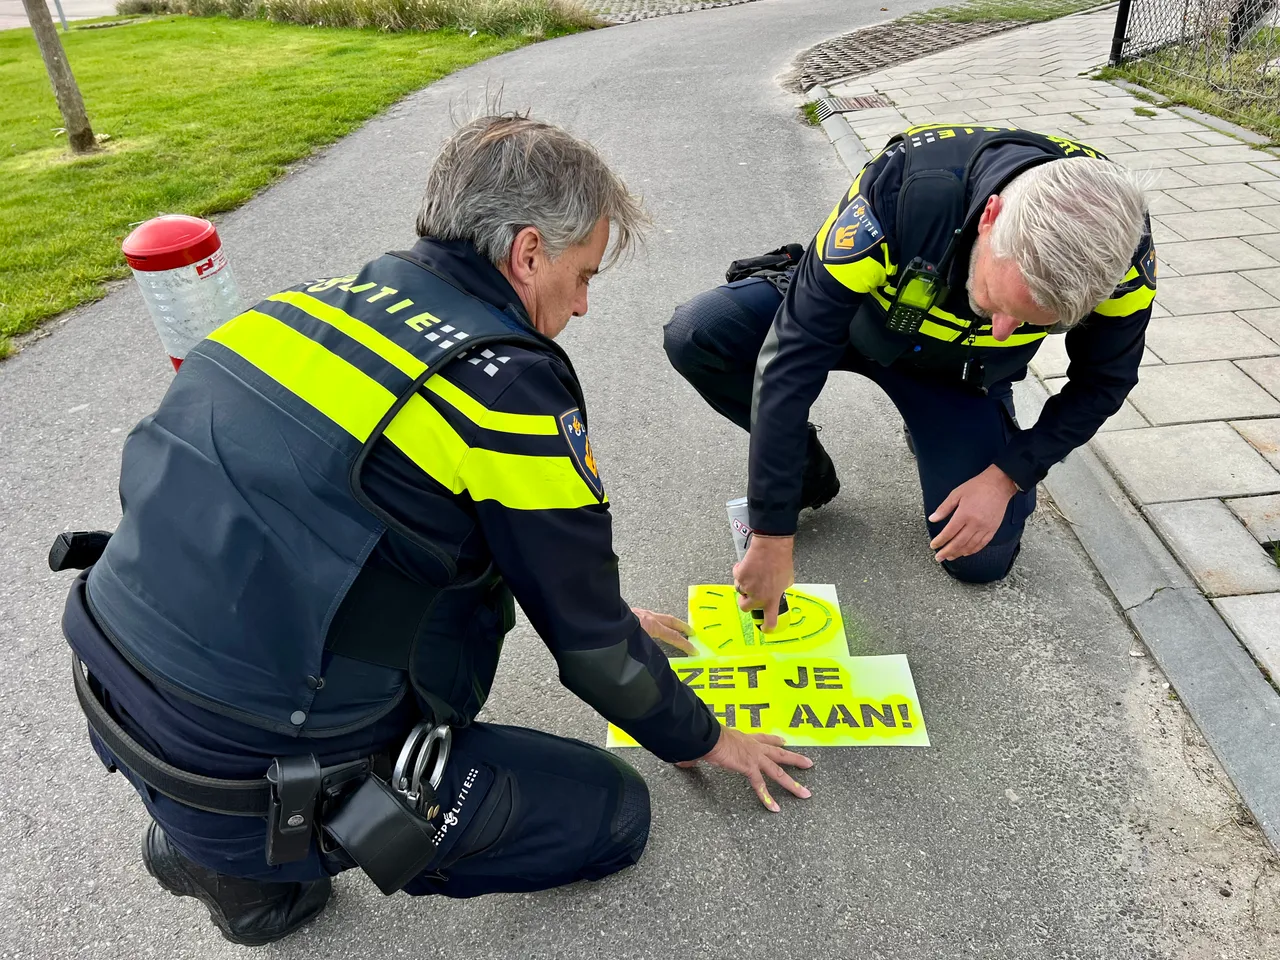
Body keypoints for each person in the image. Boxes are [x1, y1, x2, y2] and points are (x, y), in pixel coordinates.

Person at [52, 113, 812, 947]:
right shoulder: (500, 385)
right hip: (267, 775)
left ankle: (229, 861)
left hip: (115, 692)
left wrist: (600, 607)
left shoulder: (290, 311)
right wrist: (707, 737)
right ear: (528, 253)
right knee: (612, 813)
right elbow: (592, 655)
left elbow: (365, 526)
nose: (586, 305)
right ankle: (238, 857)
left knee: (434, 579)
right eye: (583, 275)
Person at [663, 122, 1155, 626]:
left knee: (977, 561)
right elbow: (793, 354)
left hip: (956, 374)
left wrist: (1009, 474)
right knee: (699, 334)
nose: (1006, 332)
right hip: (852, 321)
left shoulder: (1120, 256)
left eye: (1033, 323)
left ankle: (943, 430)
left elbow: (1105, 381)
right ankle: (807, 471)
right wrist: (771, 529)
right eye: (995, 301)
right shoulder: (903, 190)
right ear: (990, 218)